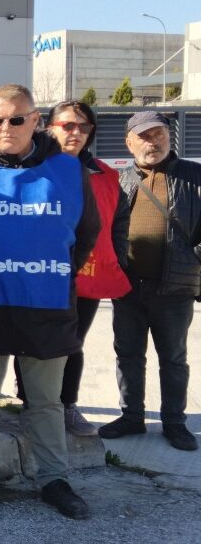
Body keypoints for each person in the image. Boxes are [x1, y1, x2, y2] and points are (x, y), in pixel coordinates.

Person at [0, 84, 99, 519]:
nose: (5, 128)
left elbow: (85, 236)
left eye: (15, 119)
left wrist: (49, 270)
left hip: (46, 304)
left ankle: (54, 478)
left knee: (46, 402)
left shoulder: (68, 170)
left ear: (35, 120)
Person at [12, 101, 130, 438]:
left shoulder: (105, 175)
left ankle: (66, 405)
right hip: (37, 273)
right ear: (48, 127)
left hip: (86, 275)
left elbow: (118, 221)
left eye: (83, 127)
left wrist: (117, 257)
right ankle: (31, 405)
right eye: (67, 125)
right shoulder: (30, 167)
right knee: (32, 341)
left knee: (72, 342)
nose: (76, 132)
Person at [99, 111, 200, 452]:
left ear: (168, 137)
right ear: (129, 142)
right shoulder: (120, 180)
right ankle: (132, 416)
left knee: (173, 358)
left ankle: (174, 422)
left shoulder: (194, 176)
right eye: (143, 136)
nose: (151, 142)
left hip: (173, 287)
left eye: (157, 134)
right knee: (127, 355)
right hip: (127, 287)